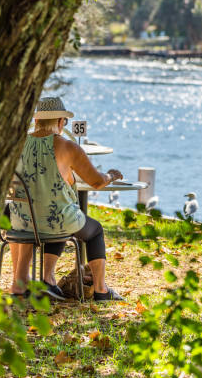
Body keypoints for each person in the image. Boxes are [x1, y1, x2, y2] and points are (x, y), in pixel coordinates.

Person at [9, 96, 123, 301]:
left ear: (36, 121)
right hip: (56, 220)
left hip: (21, 221)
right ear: (61, 122)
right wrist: (111, 175)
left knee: (59, 213)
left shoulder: (17, 143)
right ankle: (101, 290)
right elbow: (96, 182)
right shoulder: (67, 147)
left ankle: (43, 281)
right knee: (92, 229)